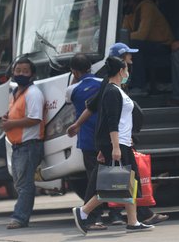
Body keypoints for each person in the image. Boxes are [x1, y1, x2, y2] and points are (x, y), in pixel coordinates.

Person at [67, 43, 168, 228]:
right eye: (127, 65)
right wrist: (112, 146)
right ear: (122, 69)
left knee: (128, 181)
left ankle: (133, 221)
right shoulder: (112, 90)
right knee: (115, 184)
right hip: (118, 144)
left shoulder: (117, 89)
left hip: (122, 143)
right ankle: (84, 211)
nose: (130, 67)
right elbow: (110, 120)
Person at [65, 53, 124, 230]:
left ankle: (94, 217)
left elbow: (68, 100)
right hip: (108, 138)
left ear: (74, 72)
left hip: (88, 141)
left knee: (94, 179)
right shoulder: (104, 84)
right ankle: (116, 214)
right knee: (115, 175)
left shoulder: (72, 90)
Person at [2, 56, 45, 229]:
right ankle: (20, 215)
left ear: (32, 74)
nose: (20, 74)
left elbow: (35, 118)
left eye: (25, 71)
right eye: (18, 71)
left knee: (25, 184)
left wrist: (11, 123)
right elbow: (17, 113)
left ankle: (20, 217)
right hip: (18, 145)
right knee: (20, 183)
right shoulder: (16, 93)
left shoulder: (33, 93)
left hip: (29, 144)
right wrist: (7, 117)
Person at [122, 0, 175, 94]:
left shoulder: (147, 7)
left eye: (125, 2)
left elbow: (142, 35)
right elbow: (124, 33)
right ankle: (125, 82)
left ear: (132, 0)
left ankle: (139, 86)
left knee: (134, 46)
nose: (124, 5)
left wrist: (124, 38)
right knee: (123, 47)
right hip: (146, 44)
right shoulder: (129, 13)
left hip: (163, 44)